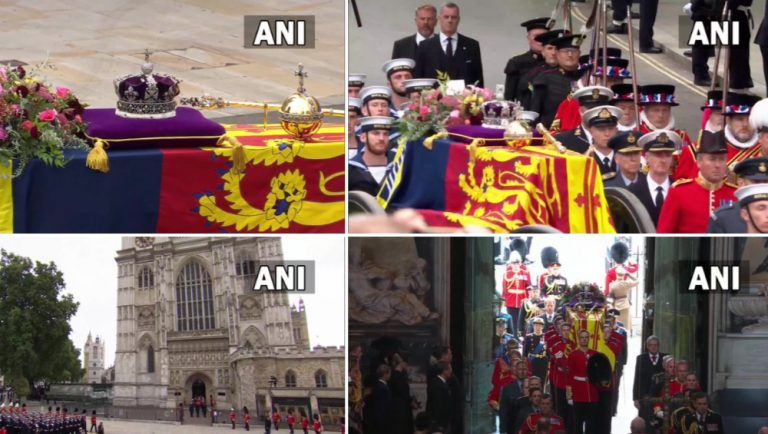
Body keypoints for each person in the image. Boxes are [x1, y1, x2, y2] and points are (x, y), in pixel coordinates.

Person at [658, 130, 738, 233]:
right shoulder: (679, 193)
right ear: (699, 161)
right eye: (712, 159)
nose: (717, 165)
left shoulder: (735, 195)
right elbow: (664, 234)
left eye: (722, 159)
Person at [676, 93, 761, 180]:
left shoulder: (763, 150)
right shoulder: (697, 150)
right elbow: (682, 189)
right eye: (739, 119)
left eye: (750, 120)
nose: (745, 124)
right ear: (728, 120)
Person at [413, 2, 483, 87]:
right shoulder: (425, 46)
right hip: (433, 98)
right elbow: (419, 78)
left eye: (453, 17)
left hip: (465, 99)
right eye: (446, 17)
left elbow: (478, 80)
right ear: (439, 19)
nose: (450, 20)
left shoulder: (472, 46)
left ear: (458, 19)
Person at [530, 34, 585, 129]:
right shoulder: (545, 78)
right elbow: (535, 112)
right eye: (565, 51)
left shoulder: (586, 77)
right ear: (557, 54)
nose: (570, 55)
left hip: (581, 133)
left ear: (579, 54)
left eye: (574, 51)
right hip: (553, 132)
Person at [629, 130, 677, 226]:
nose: (663, 160)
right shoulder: (632, 193)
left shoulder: (680, 190)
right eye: (658, 155)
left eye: (667, 155)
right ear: (646, 157)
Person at [709, 157, 768, 232]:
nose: (762, 186)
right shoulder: (723, 217)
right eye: (756, 182)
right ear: (741, 183)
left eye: (766, 182)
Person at [555, 86, 616, 153]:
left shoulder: (617, 138)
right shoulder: (563, 140)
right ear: (581, 111)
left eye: (600, 109)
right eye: (591, 109)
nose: (596, 113)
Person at [503, 17, 552, 101]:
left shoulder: (556, 63)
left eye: (544, 36)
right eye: (536, 36)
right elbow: (509, 98)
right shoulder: (516, 63)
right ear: (528, 39)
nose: (540, 40)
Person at [516, 28, 567, 108]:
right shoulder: (532, 75)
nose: (553, 53)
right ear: (543, 52)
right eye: (549, 48)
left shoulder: (569, 73)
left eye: (557, 49)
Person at [348, 116, 392, 196]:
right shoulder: (349, 169)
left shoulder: (398, 167)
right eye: (376, 133)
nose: (381, 138)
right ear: (363, 137)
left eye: (386, 134)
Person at [633, 336, 667, 432]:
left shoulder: (665, 358)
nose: (653, 347)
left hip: (660, 398)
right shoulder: (640, 359)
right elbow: (637, 379)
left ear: (658, 346)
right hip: (645, 397)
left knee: (659, 424)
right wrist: (636, 398)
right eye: (651, 345)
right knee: (646, 424)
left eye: (655, 345)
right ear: (647, 346)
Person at [567, 330, 599, 434]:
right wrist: (569, 396)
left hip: (592, 393)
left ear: (589, 339)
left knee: (592, 424)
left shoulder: (595, 354)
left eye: (586, 337)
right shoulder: (573, 354)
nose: (584, 339)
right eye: (582, 337)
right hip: (578, 393)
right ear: (578, 339)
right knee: (578, 423)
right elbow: (569, 376)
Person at [582, 105, 623, 177]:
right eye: (601, 129)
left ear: (616, 130)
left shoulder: (625, 158)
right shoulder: (583, 161)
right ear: (591, 131)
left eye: (611, 128)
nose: (607, 134)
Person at [502, 251, 531, 337]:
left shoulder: (524, 273)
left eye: (517, 263)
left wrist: (528, 298)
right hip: (511, 301)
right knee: (512, 321)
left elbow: (528, 286)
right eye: (514, 263)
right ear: (511, 264)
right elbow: (505, 288)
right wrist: (504, 300)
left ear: (520, 263)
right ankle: (513, 338)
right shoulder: (507, 274)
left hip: (522, 300)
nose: (515, 265)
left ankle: (520, 336)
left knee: (521, 320)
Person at [426, 361, 453, 433]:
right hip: (439, 425)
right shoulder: (438, 385)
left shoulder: (442, 383)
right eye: (450, 369)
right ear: (444, 371)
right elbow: (437, 406)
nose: (451, 371)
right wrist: (440, 425)